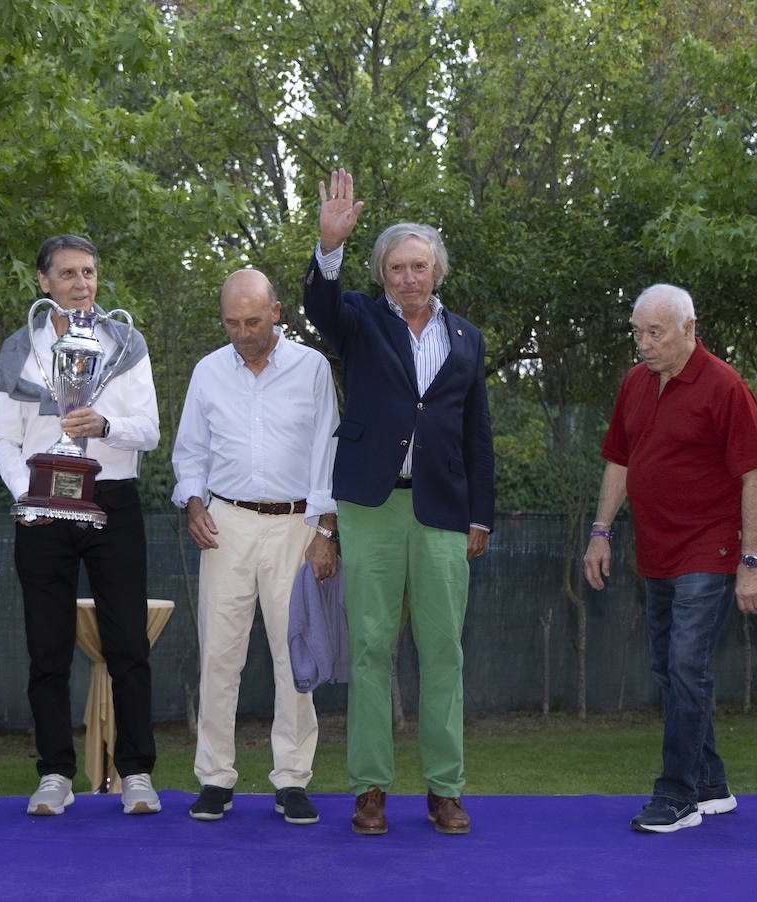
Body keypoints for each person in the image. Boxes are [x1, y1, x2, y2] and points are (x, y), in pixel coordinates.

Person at [305, 169, 494, 836]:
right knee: (370, 650)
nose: (408, 277)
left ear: (436, 270)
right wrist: (329, 247)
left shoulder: (467, 338)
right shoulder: (356, 318)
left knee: (444, 651)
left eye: (419, 265)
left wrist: (481, 515)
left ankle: (445, 790)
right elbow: (319, 308)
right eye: (396, 266)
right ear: (381, 272)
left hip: (444, 512)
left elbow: (477, 433)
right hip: (369, 509)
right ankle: (370, 790)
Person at [583, 283, 757, 835]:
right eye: (637, 332)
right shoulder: (635, 383)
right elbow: (619, 461)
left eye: (655, 333)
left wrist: (751, 560)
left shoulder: (725, 386)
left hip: (708, 550)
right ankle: (711, 783)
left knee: (688, 666)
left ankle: (677, 795)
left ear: (689, 329)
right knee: (669, 669)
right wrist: (601, 532)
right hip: (655, 550)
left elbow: (756, 475)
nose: (643, 343)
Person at [0, 234, 162, 817]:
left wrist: (106, 424)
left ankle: (136, 772)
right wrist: (28, 494)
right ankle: (55, 774)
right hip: (42, 507)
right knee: (47, 649)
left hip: (112, 501)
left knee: (128, 645)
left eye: (89, 272)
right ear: (43, 282)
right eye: (67, 273)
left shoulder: (125, 342)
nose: (81, 283)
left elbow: (151, 430)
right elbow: (4, 439)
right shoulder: (19, 349)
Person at [171, 268, 340, 826]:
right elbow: (190, 450)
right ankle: (215, 780)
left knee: (295, 653)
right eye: (231, 322)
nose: (242, 333)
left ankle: (292, 780)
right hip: (225, 524)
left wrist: (324, 532)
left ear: (277, 312)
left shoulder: (312, 368)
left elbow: (327, 455)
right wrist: (194, 504)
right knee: (219, 654)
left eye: (252, 320)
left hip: (296, 527)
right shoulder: (207, 372)